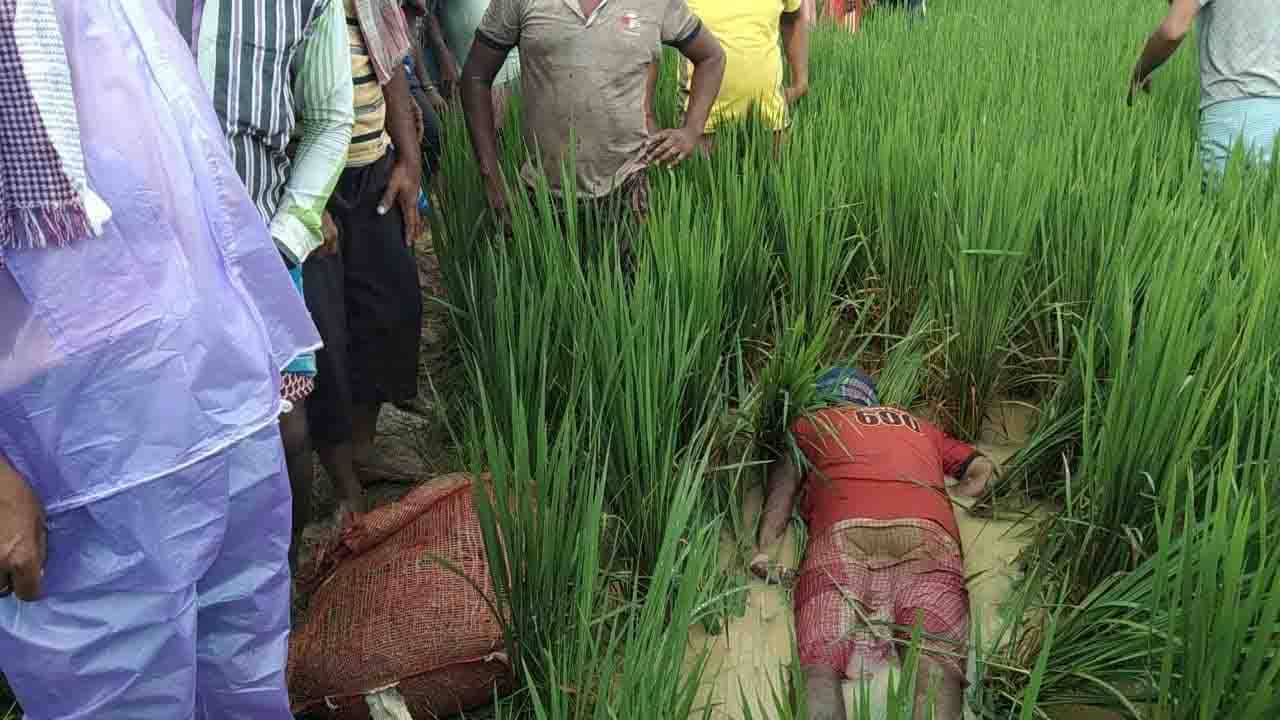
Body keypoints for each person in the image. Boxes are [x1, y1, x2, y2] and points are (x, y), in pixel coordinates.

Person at [0, 1, 320, 717]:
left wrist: (258, 362)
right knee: (118, 693)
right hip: (77, 453)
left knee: (246, 674)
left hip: (221, 409)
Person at [169, 0, 355, 564]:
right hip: (144, 262)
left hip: (261, 251)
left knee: (283, 429)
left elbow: (329, 121)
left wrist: (287, 236)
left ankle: (279, 573)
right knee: (169, 434)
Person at [750, 368, 995, 720]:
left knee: (818, 666)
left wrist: (766, 551)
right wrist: (947, 499)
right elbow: (984, 470)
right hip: (927, 532)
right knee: (935, 665)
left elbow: (781, 493)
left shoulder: (812, 423)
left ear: (823, 399)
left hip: (842, 533)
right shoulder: (920, 426)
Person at [461, 0, 726, 230]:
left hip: (627, 189)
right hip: (541, 193)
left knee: (629, 274)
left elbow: (711, 57)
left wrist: (691, 131)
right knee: (543, 273)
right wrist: (490, 176)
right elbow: (476, 75)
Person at [305, 0, 424, 500]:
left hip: (373, 170)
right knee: (325, 335)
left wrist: (409, 163)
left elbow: (391, 69)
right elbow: (265, 93)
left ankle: (363, 446)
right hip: (309, 183)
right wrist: (303, 201)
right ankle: (344, 487)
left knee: (391, 309)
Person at [1128, 0, 1279, 172]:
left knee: (1227, 190)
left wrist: (1141, 70)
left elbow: (1172, 31)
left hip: (1231, 117)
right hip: (1275, 115)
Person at [679, 0, 809, 152]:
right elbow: (655, 23)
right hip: (701, 120)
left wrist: (800, 83)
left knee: (782, 167)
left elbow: (793, 19)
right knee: (701, 167)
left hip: (771, 116)